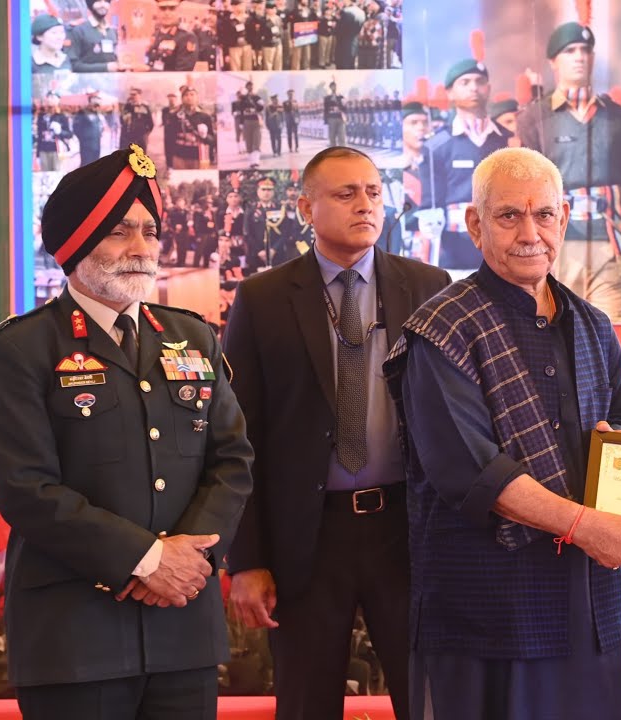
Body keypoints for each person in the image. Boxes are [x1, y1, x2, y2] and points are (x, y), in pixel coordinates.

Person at [382, 146, 621, 719]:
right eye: (509, 215)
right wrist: (588, 525)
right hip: (489, 614)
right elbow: (472, 475)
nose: (529, 232)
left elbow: (618, 422)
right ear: (475, 225)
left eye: (544, 214)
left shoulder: (590, 323)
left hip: (590, 607)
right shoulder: (440, 331)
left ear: (564, 219)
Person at [0, 145, 255, 720]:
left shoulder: (193, 338)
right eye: (120, 231)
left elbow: (231, 461)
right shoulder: (20, 348)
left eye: (150, 232)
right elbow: (26, 489)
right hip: (75, 638)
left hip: (182, 631)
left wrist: (185, 561)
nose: (142, 249)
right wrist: (147, 559)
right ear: (75, 243)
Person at [223, 146, 451, 720]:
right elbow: (236, 438)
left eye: (374, 192)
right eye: (346, 193)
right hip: (309, 536)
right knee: (305, 702)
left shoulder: (429, 285)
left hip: (405, 530)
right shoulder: (264, 298)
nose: (365, 205)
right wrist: (246, 559)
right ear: (306, 207)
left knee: (428, 698)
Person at [515, 19, 621, 322]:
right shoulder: (535, 117)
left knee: (612, 337)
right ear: (554, 61)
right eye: (570, 51)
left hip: (611, 247)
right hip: (557, 248)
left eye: (585, 50)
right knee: (557, 342)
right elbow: (525, 193)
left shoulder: (618, 119)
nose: (579, 57)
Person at [418, 56, 512, 277]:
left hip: (501, 253)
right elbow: (430, 206)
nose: (474, 88)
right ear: (449, 93)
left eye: (479, 82)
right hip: (455, 254)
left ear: (488, 89)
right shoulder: (437, 146)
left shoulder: (507, 140)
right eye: (465, 82)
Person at [67, 0, 121, 72]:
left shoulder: (112, 31)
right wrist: (105, 67)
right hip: (86, 82)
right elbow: (73, 65)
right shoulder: (78, 30)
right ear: (90, 4)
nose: (103, 5)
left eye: (106, 2)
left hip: (111, 81)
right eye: (98, 1)